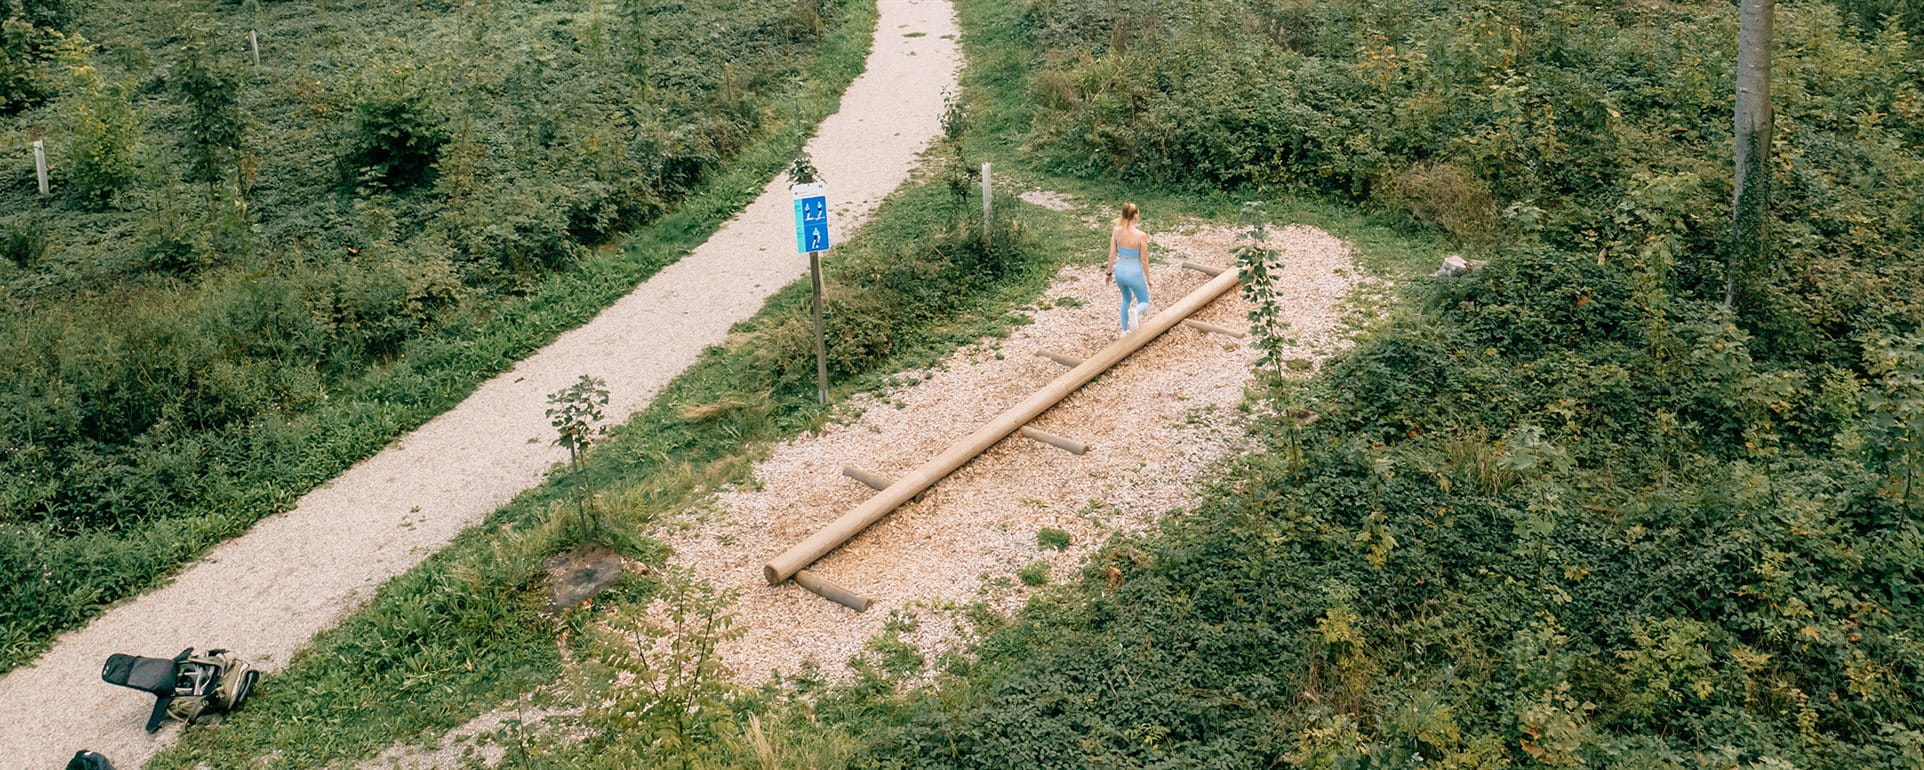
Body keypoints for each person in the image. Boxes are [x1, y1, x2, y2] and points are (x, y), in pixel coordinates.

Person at [1105, 202, 1152, 337]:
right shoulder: (1140, 235)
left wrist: (1109, 273)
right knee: (1144, 301)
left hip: (1120, 270)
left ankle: (1124, 331)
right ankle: (1135, 313)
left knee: (1126, 299)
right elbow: (1144, 260)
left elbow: (1112, 254)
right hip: (1134, 272)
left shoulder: (1116, 231)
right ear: (1136, 215)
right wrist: (1148, 278)